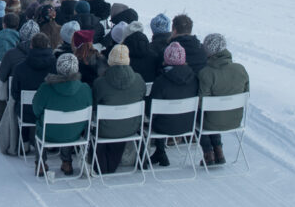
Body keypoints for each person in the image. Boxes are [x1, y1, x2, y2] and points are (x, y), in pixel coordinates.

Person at [32, 53, 93, 176]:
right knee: (69, 125)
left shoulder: (45, 88)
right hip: (75, 133)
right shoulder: (85, 89)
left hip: (49, 134)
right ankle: (67, 162)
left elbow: (36, 110)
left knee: (39, 125)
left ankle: (41, 164)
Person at [91, 44, 146, 175]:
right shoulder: (139, 80)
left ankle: (101, 163)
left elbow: (93, 105)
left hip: (105, 130)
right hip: (131, 128)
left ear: (109, 61)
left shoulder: (100, 83)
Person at [198, 33, 249, 166]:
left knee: (197, 114)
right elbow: (246, 94)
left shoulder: (206, 73)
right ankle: (219, 151)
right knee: (211, 114)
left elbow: (202, 103)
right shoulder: (241, 69)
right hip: (235, 120)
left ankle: (208, 153)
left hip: (211, 123)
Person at [147, 41, 198, 166]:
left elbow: (151, 110)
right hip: (188, 125)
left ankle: (160, 151)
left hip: (163, 127)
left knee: (156, 116)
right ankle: (160, 153)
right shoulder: (194, 79)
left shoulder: (161, 81)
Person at [11, 32, 56, 148]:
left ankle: (24, 142)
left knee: (19, 105)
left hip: (26, 112)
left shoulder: (20, 67)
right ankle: (51, 143)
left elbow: (14, 93)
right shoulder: (55, 66)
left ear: (31, 46)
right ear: (48, 46)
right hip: (50, 112)